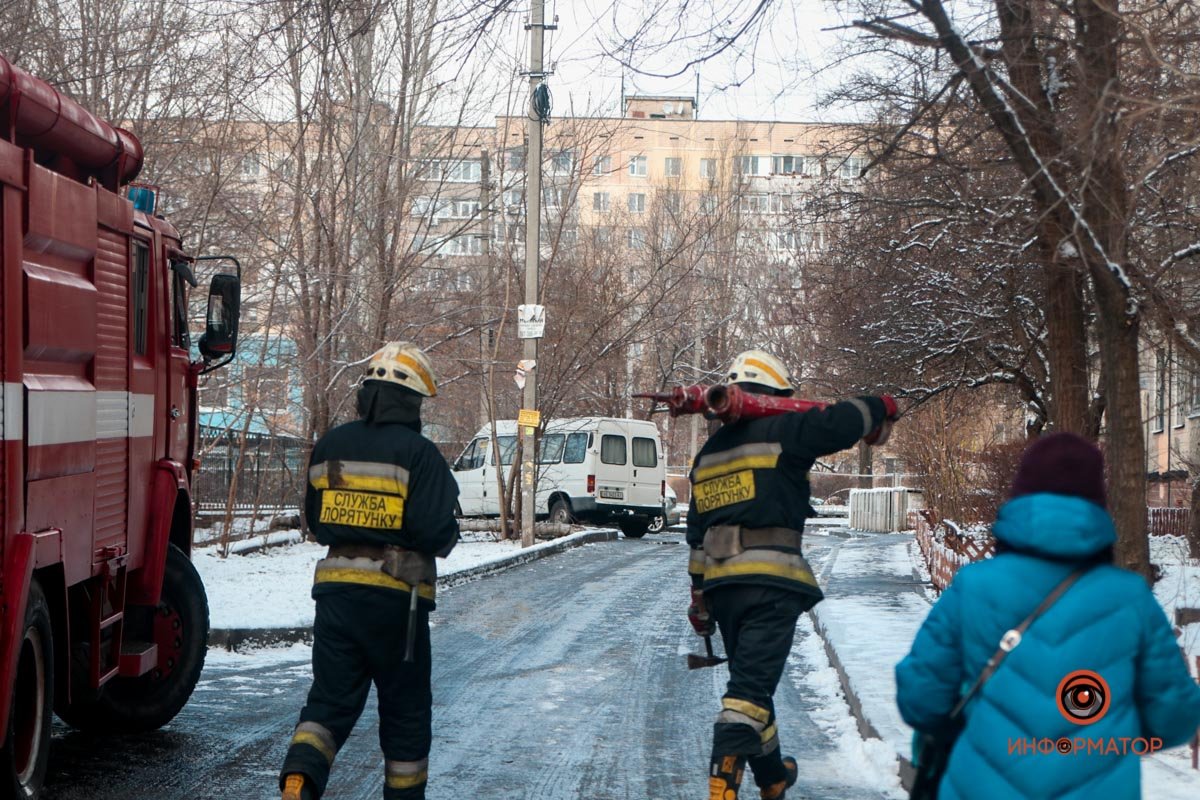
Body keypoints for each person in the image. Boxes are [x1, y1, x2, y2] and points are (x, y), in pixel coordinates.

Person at [896, 433, 1200, 800]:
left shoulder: (974, 587)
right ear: (1097, 507)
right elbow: (1174, 718)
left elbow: (920, 695)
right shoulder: (1129, 597)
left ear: (1020, 497)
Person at [686, 350, 897, 800]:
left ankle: (773, 778)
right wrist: (881, 406)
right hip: (769, 588)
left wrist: (699, 600)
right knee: (745, 694)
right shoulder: (784, 429)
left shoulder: (706, 457)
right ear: (777, 396)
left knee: (752, 686)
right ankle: (721, 783)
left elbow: (697, 538)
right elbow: (836, 422)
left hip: (723, 593)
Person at [279, 342, 459, 800]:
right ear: (412, 401)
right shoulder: (419, 454)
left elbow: (318, 523)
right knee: (404, 711)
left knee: (329, 701)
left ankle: (300, 778)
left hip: (336, 598)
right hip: (398, 605)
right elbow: (437, 532)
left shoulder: (330, 446)